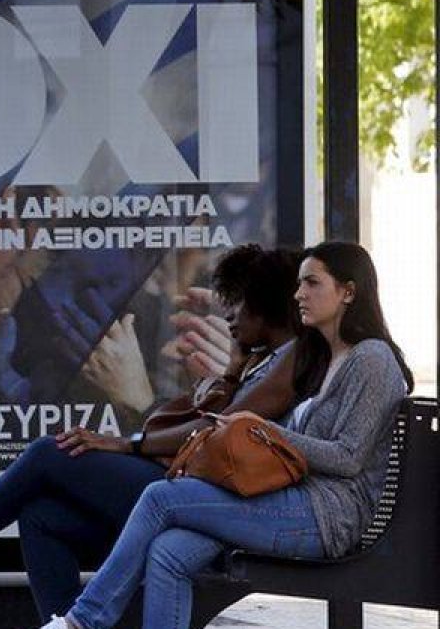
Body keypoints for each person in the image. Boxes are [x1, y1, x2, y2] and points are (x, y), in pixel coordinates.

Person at [0, 244, 302, 618]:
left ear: (267, 305)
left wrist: (128, 437)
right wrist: (229, 370)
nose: (229, 318)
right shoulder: (260, 357)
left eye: (238, 306)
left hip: (210, 502)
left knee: (52, 452)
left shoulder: (290, 359)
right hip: (193, 487)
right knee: (43, 515)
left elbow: (217, 433)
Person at [42, 241, 413, 629]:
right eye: (299, 283)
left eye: (312, 283)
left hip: (327, 518)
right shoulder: (326, 356)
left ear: (349, 292)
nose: (299, 293)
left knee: (159, 498)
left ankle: (82, 621)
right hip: (293, 501)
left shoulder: (372, 359)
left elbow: (348, 457)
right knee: (168, 552)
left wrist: (263, 430)